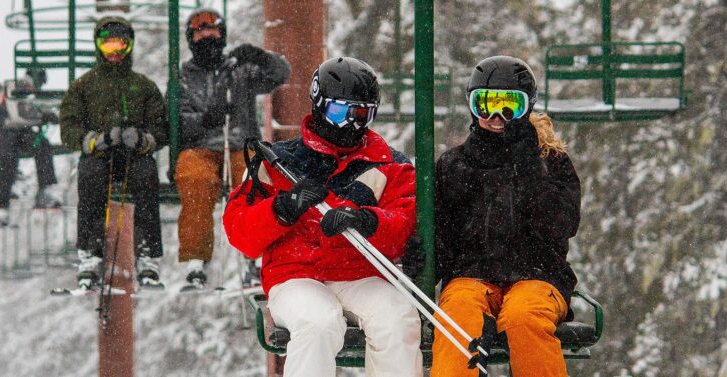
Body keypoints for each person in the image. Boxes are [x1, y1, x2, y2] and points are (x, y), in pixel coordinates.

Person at [223, 57, 422, 377]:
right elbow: (240, 232)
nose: (350, 125)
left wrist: (367, 221)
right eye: (339, 113)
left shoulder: (388, 165)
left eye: (361, 114)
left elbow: (405, 224)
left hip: (359, 272)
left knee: (397, 319)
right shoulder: (279, 162)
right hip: (296, 274)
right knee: (318, 322)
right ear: (319, 104)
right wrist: (282, 209)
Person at [431, 56, 581, 377]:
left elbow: (562, 224)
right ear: (472, 106)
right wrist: (426, 268)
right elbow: (441, 232)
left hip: (538, 275)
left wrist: (528, 165)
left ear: (528, 107)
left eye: (509, 106)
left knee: (524, 319)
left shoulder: (549, 161)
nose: (497, 117)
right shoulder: (454, 166)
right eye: (485, 104)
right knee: (458, 316)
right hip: (472, 276)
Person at [174, 8, 290, 289]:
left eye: (212, 32)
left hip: (240, 143)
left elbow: (280, 75)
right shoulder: (183, 78)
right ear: (192, 38)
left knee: (254, 180)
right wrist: (204, 120)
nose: (207, 38)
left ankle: (256, 255)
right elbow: (177, 122)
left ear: (222, 35)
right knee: (195, 180)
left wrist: (261, 58)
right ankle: (196, 260)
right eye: (200, 33)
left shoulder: (239, 70)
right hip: (200, 147)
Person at [59, 16, 168, 289]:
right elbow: (68, 125)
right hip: (99, 154)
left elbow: (161, 127)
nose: (115, 53)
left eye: (120, 46)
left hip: (134, 155)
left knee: (145, 177)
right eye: (108, 47)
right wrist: (93, 141)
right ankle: (89, 253)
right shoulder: (84, 86)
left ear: (129, 47)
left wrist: (144, 140)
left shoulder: (143, 86)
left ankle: (147, 255)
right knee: (91, 178)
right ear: (99, 47)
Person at [0, 71, 63, 226]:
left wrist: (49, 115)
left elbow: (32, 112)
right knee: (8, 156)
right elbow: (18, 114)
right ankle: (0, 205)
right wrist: (42, 117)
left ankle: (45, 189)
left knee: (42, 144)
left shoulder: (31, 94)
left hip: (20, 131)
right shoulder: (12, 87)